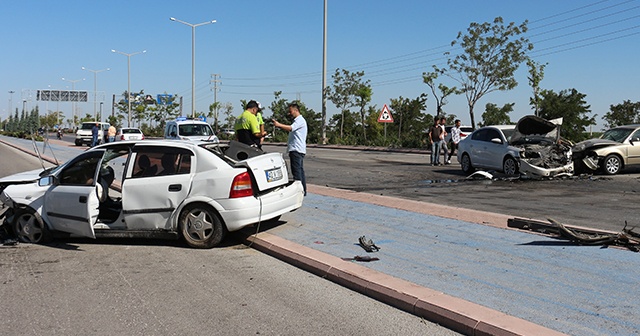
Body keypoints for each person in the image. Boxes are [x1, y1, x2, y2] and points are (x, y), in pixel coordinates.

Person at [273, 102, 308, 196]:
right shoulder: (298, 120)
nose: (289, 113)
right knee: (299, 170)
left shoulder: (299, 120)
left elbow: (291, 128)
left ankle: (299, 191)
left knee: (297, 172)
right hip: (297, 149)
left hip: (297, 149)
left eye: (291, 111)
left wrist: (279, 125)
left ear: (296, 110)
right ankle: (302, 191)